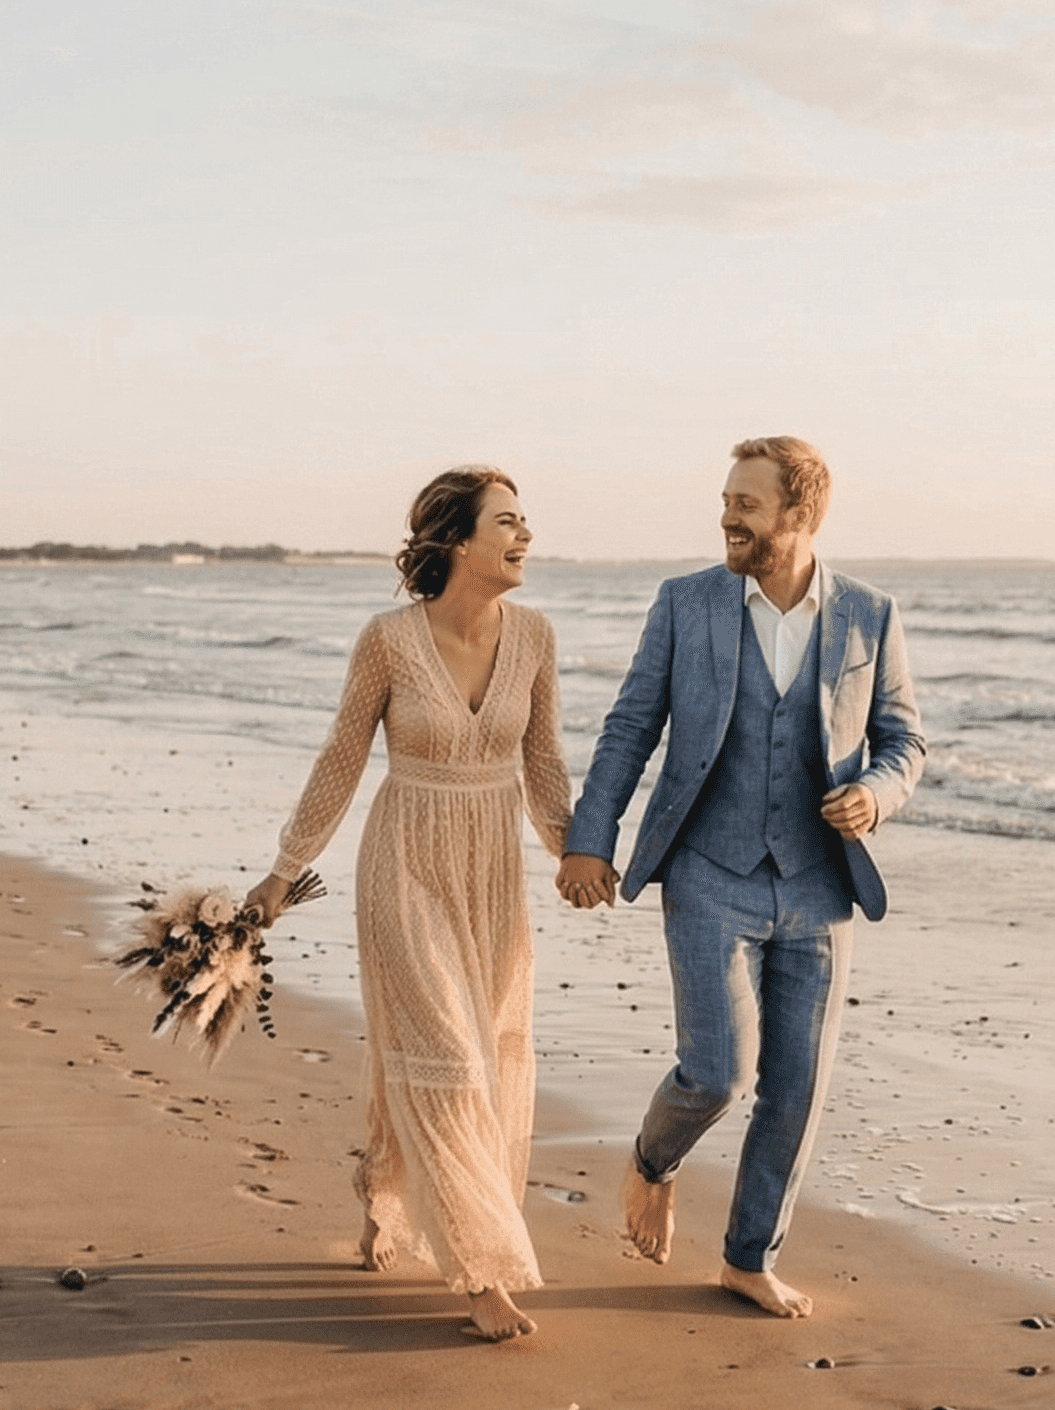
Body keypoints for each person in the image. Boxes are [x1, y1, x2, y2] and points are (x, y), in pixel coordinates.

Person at [556, 436, 924, 1318]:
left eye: (746, 504)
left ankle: (748, 1257)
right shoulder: (686, 604)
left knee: (796, 1090)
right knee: (717, 1074)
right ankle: (652, 1161)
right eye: (726, 501)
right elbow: (630, 727)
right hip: (708, 870)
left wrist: (874, 796)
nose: (727, 517)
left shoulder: (870, 615)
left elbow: (905, 740)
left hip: (818, 885)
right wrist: (589, 840)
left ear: (800, 514)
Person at [245, 467, 570, 1342]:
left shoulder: (535, 636)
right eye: (507, 521)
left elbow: (544, 762)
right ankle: (482, 1274)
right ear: (458, 541)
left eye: (524, 520)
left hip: (491, 872)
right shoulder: (389, 640)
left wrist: (575, 852)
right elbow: (342, 757)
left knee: (481, 1054)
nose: (525, 534)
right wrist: (285, 869)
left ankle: (381, 1190)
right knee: (449, 1058)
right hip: (405, 864)